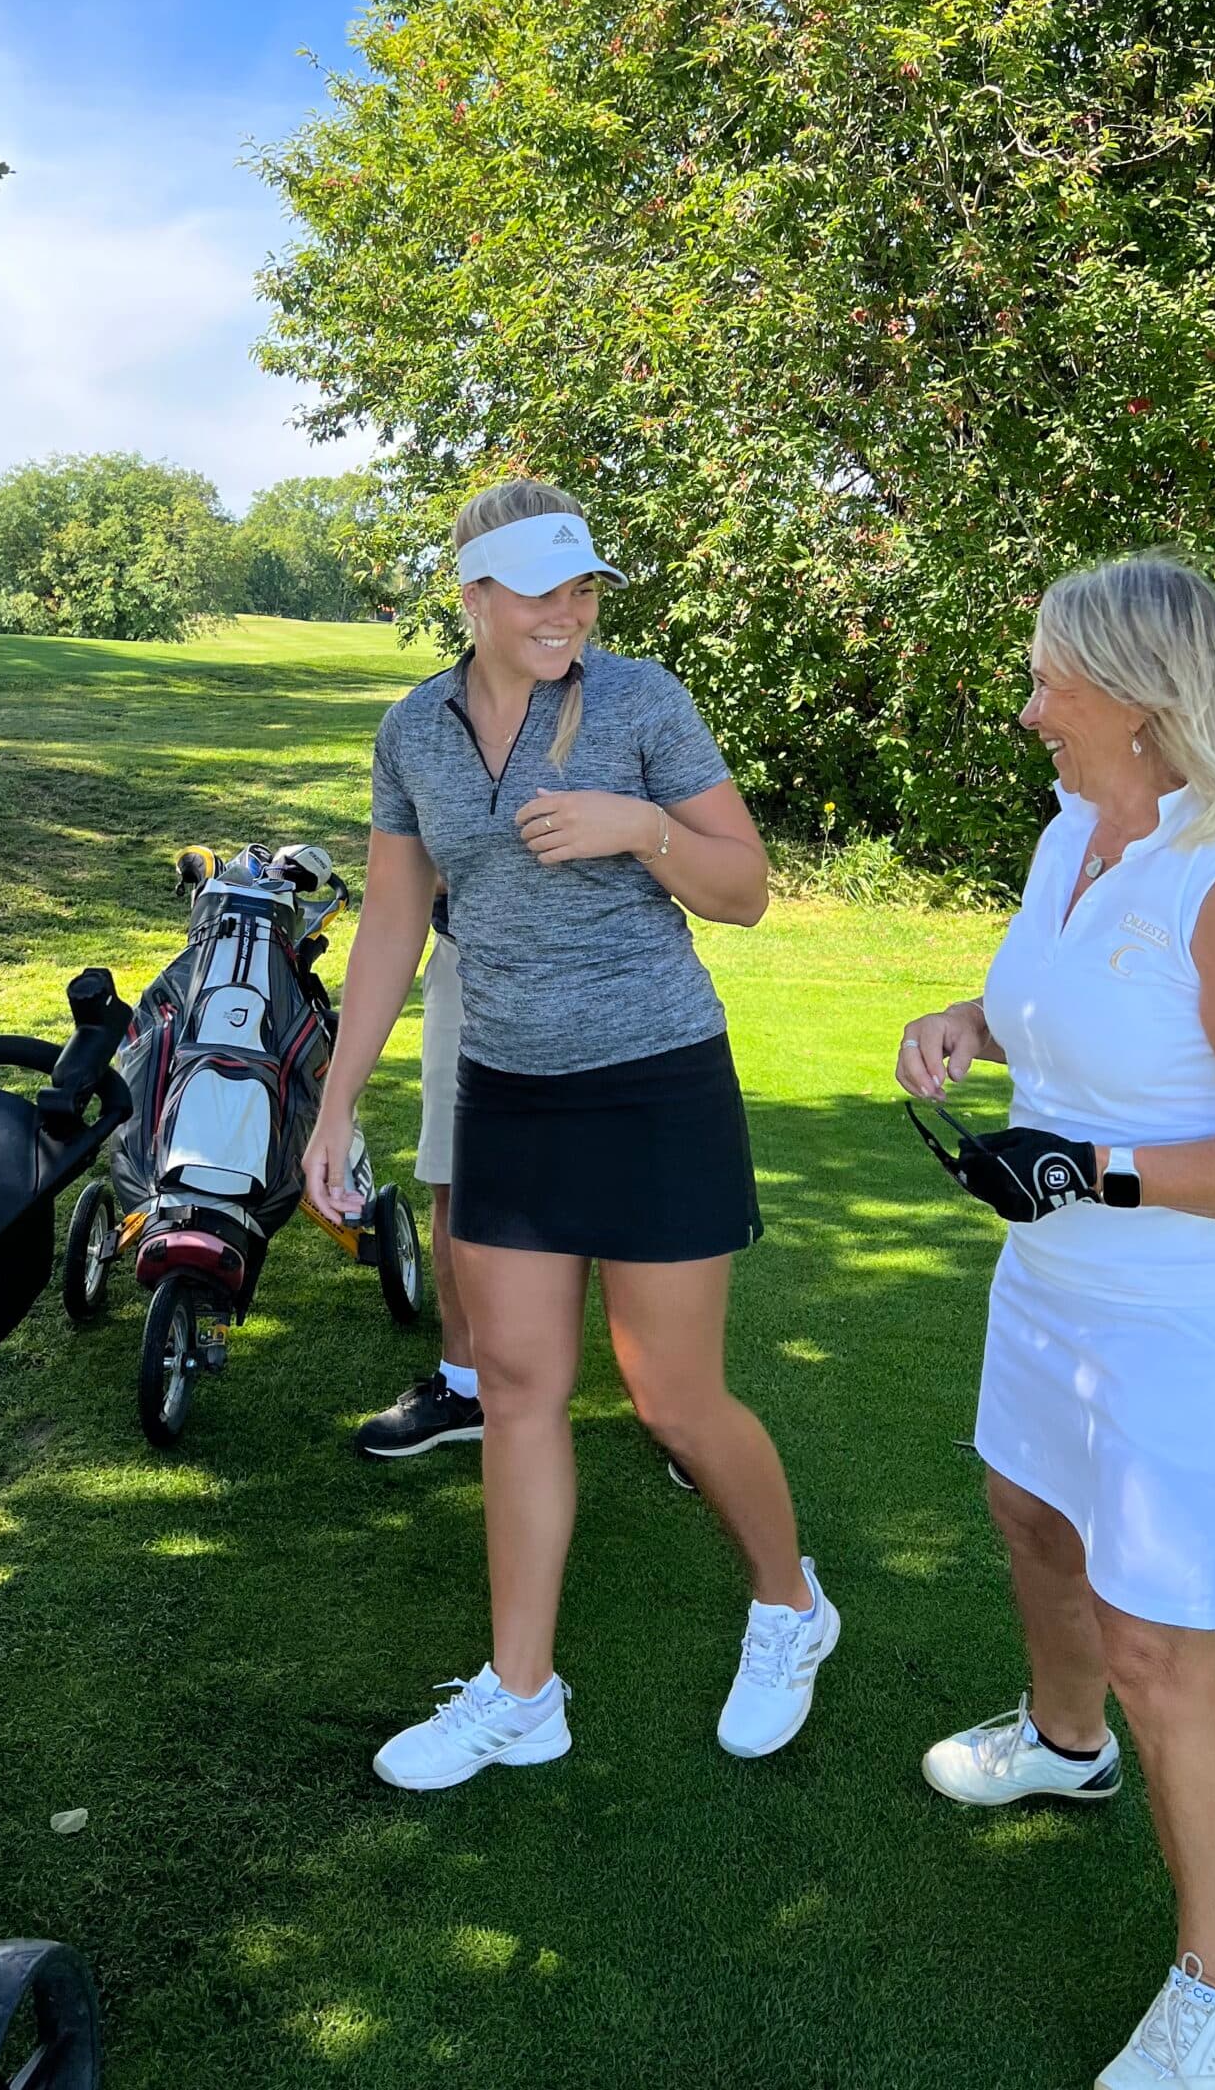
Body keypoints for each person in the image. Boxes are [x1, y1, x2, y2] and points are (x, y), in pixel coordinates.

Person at [896, 553, 1215, 2090]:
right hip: (1057, 1286)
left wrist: (1098, 1166)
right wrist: (970, 1022)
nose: (1031, 707)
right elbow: (1062, 1006)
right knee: (1029, 1514)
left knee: (1169, 1660)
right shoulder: (1073, 833)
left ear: (1142, 700)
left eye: (1051, 679)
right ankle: (1063, 1744)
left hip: (1196, 1326)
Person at [304, 476, 836, 1790]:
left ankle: (790, 1604)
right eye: (539, 589)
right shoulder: (412, 732)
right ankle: (522, 1692)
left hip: (657, 1084)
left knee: (674, 1398)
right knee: (520, 1388)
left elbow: (746, 890)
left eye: (583, 586)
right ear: (474, 594)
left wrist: (642, 828)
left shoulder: (642, 703)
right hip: (508, 1093)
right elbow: (390, 924)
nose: (567, 611)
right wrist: (335, 1101)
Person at [355, 880, 485, 1456]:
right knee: (455, 1178)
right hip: (467, 959)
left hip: (599, 964)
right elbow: (406, 875)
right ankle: (465, 1388)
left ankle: (679, 1409)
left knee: (609, 1183)